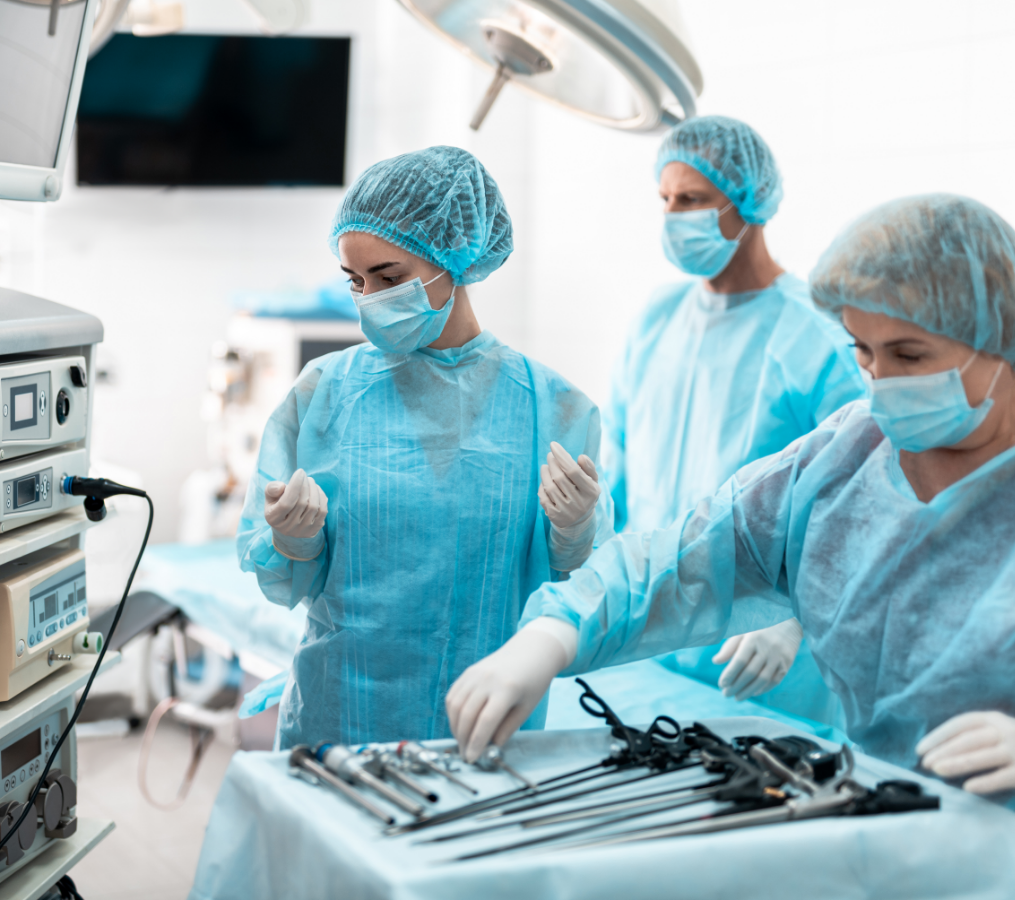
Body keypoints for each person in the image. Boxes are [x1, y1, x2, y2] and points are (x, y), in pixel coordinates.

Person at [446, 194, 1015, 801]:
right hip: (881, 809)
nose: (880, 381)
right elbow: (685, 557)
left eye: (909, 355)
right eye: (862, 350)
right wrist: (552, 636)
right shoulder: (845, 457)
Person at [239, 146, 612, 749]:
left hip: (486, 720)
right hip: (340, 718)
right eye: (356, 281)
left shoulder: (552, 406)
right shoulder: (324, 394)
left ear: (456, 262)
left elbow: (580, 595)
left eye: (389, 278)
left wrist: (575, 531)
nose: (369, 299)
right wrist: (292, 539)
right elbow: (286, 581)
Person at [602, 115, 865, 723]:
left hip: (760, 660)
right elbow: (616, 481)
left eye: (692, 199)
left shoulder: (815, 335)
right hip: (652, 643)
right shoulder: (655, 320)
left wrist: (796, 616)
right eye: (665, 199)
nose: (673, 216)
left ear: (749, 202)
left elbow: (862, 503)